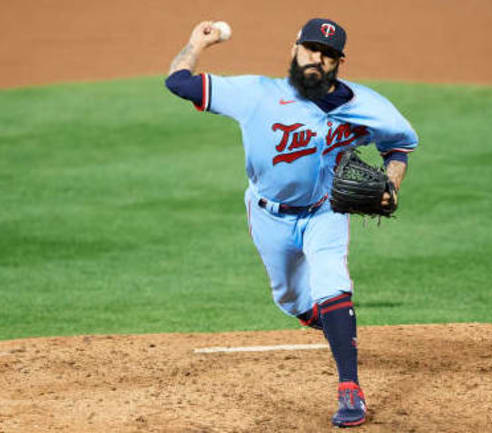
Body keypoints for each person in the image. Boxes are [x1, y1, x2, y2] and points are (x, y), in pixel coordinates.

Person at [165, 17, 418, 428]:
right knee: (290, 299)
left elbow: (399, 146)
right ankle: (321, 319)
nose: (317, 58)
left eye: (328, 54)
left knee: (332, 280)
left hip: (327, 210)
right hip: (269, 214)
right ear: (294, 48)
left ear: (339, 62)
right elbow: (179, 83)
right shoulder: (255, 94)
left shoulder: (369, 106)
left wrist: (391, 183)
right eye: (311, 48)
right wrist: (196, 44)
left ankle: (350, 388)